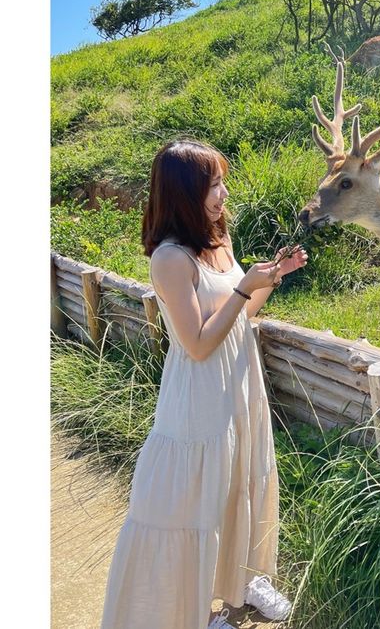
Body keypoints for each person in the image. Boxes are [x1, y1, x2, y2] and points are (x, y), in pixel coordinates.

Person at [99, 139, 308, 629]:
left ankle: (244, 582)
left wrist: (269, 279)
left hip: (239, 384)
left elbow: (238, 318)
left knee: (241, 483)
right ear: (183, 192)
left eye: (222, 182)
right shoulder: (170, 259)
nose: (224, 194)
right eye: (214, 185)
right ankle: (191, 612)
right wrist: (243, 287)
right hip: (199, 396)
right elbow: (196, 343)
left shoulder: (218, 239)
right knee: (193, 504)